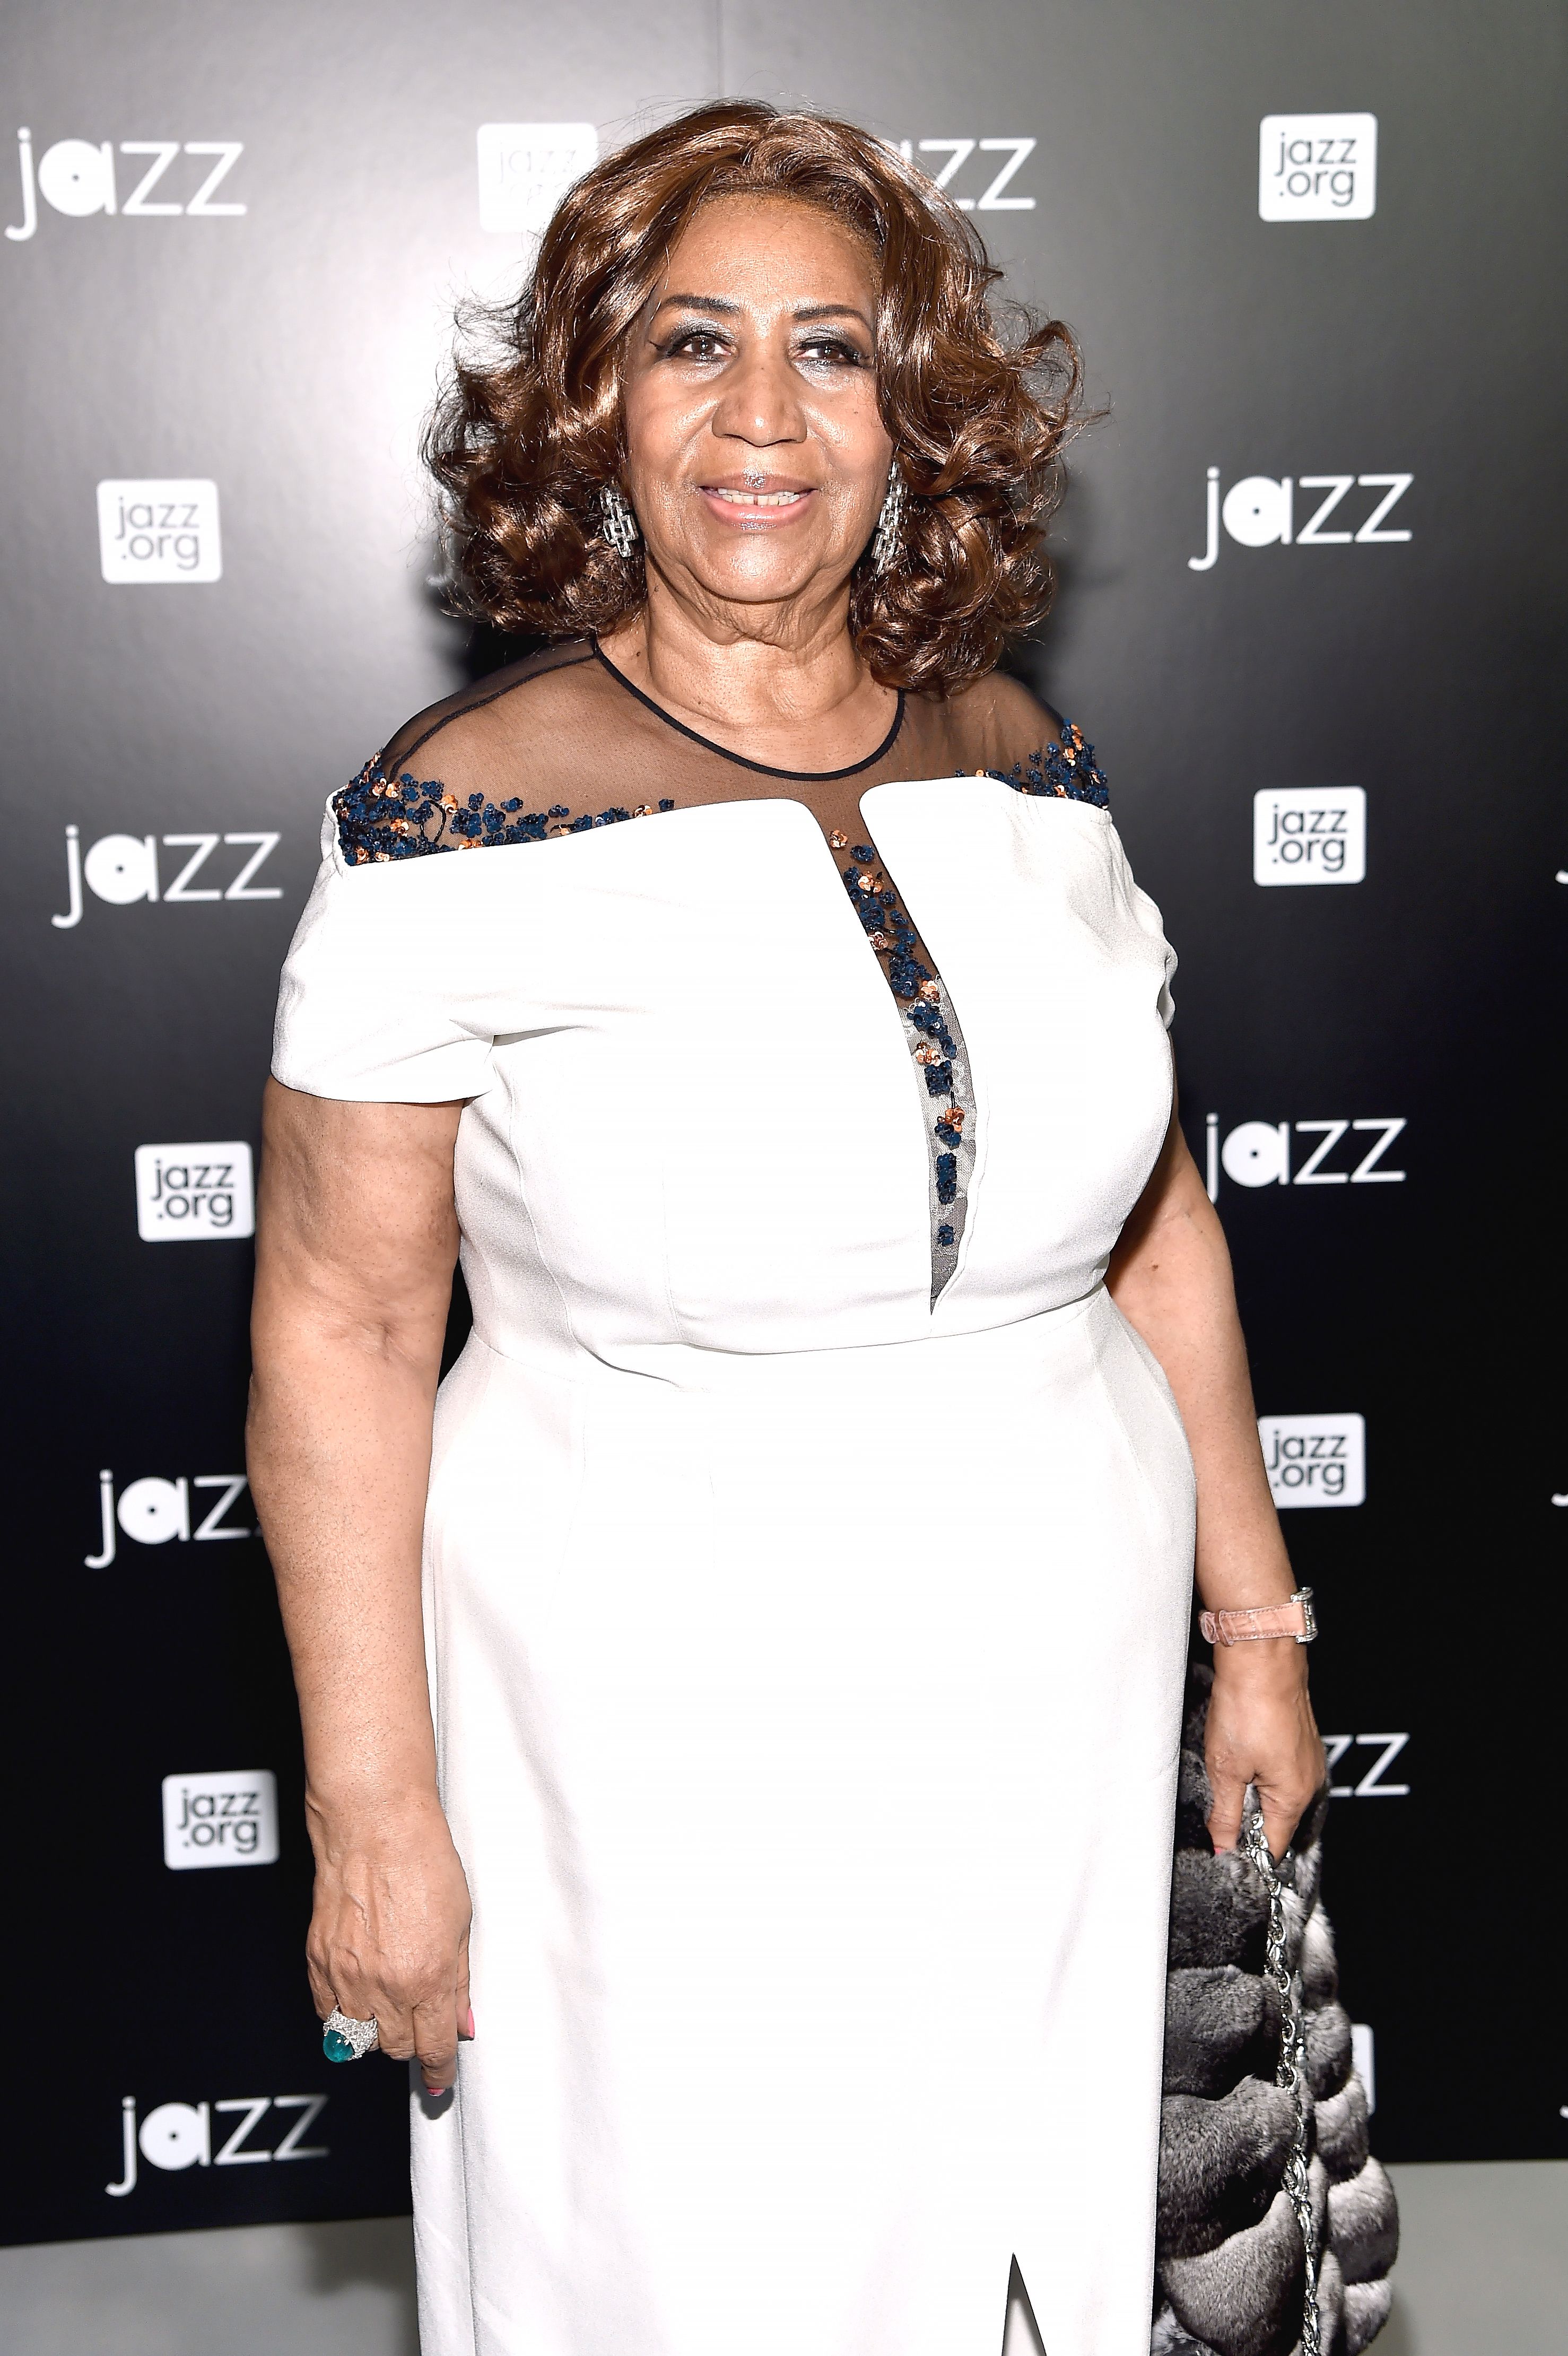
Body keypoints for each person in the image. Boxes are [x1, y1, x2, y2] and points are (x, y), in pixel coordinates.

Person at [248, 100, 1323, 2356]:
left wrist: (1256, 1626)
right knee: (699, 2261)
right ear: (597, 405)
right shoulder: (456, 819)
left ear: (907, 417)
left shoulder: (1022, 763)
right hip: (647, 1732)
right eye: (690, 344)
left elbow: (1158, 1228)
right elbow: (343, 1327)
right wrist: (373, 1809)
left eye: (829, 350)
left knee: (1046, 2245)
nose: (762, 415)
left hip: (1059, 1683)